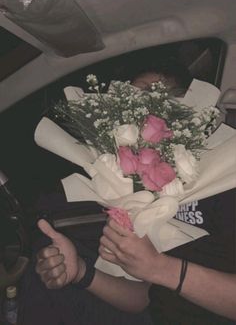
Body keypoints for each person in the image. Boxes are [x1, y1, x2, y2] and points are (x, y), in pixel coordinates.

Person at [19, 50, 236, 324]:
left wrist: (162, 268)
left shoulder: (226, 180)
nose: (140, 112)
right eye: (128, 104)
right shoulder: (141, 191)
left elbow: (159, 274)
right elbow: (145, 297)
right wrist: (81, 272)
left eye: (152, 96)